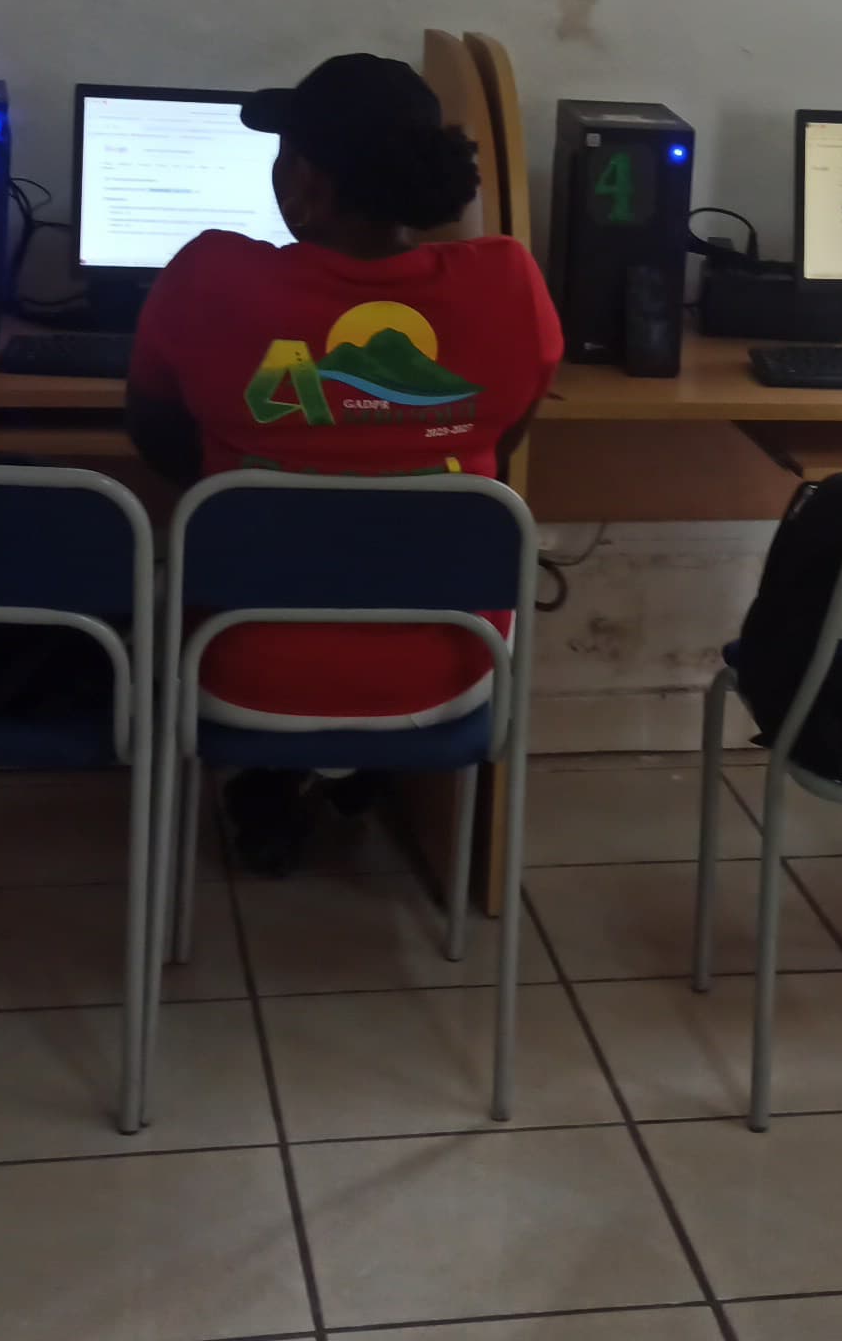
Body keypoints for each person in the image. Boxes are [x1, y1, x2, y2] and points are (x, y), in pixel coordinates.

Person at [125, 52, 562, 872]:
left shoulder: (209, 278)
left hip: (239, 667)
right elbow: (498, 451)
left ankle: (287, 775)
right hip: (452, 669)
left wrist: (271, 473)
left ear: (306, 181)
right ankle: (347, 770)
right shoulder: (510, 285)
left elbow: (156, 440)